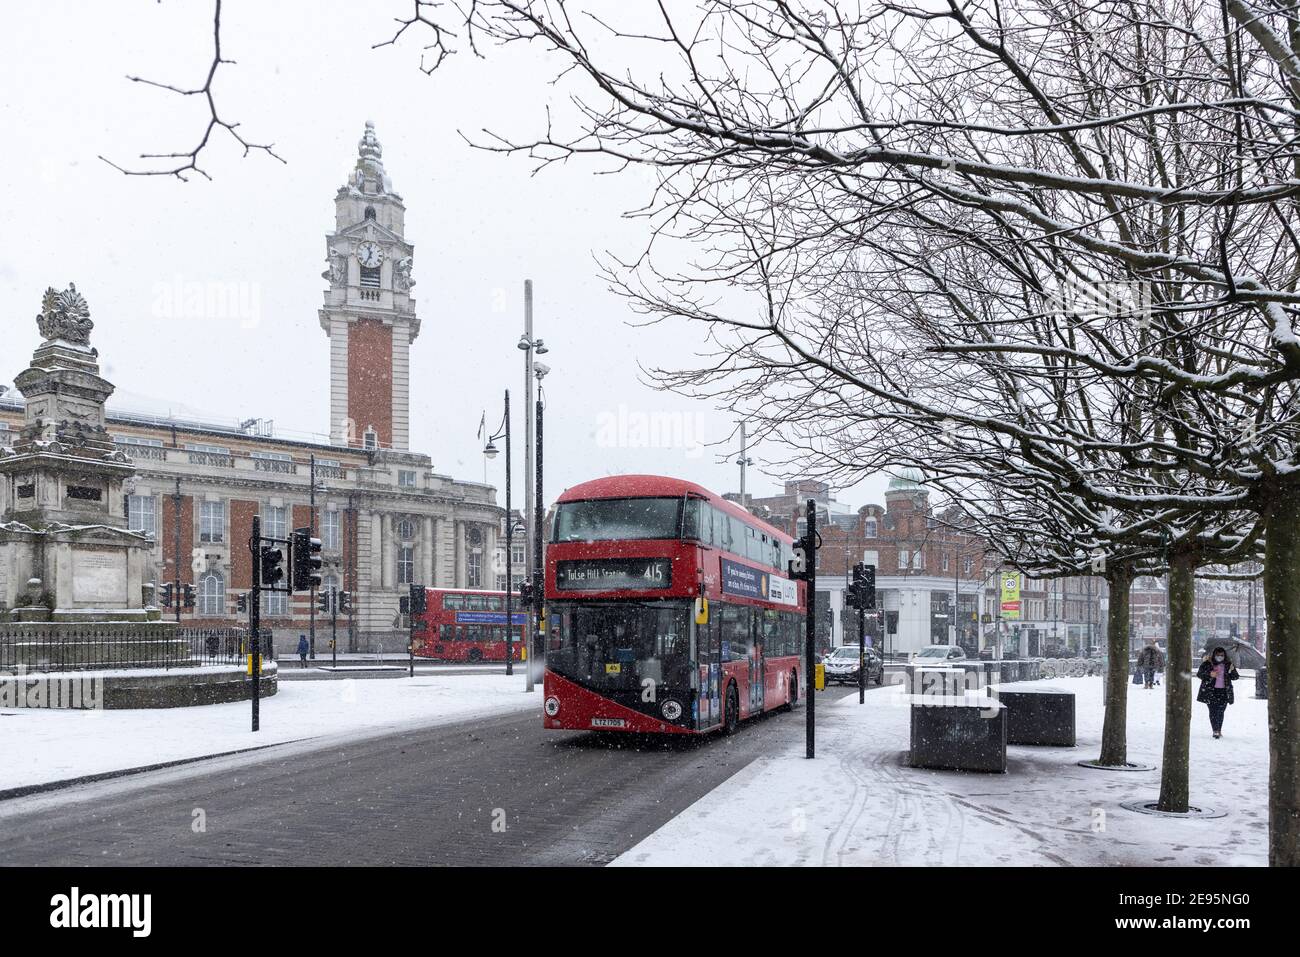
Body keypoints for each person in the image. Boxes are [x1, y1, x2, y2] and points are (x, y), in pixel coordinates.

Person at [1196, 646, 1240, 739]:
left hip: (1224, 692)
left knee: (1220, 712)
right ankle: (1215, 730)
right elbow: (1199, 674)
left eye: (1222, 655)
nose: (1220, 657)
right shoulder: (1208, 663)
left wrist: (1232, 670)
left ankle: (1218, 730)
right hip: (1210, 691)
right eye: (1218, 655)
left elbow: (1235, 677)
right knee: (1213, 711)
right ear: (1214, 655)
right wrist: (1209, 674)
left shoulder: (1228, 664)